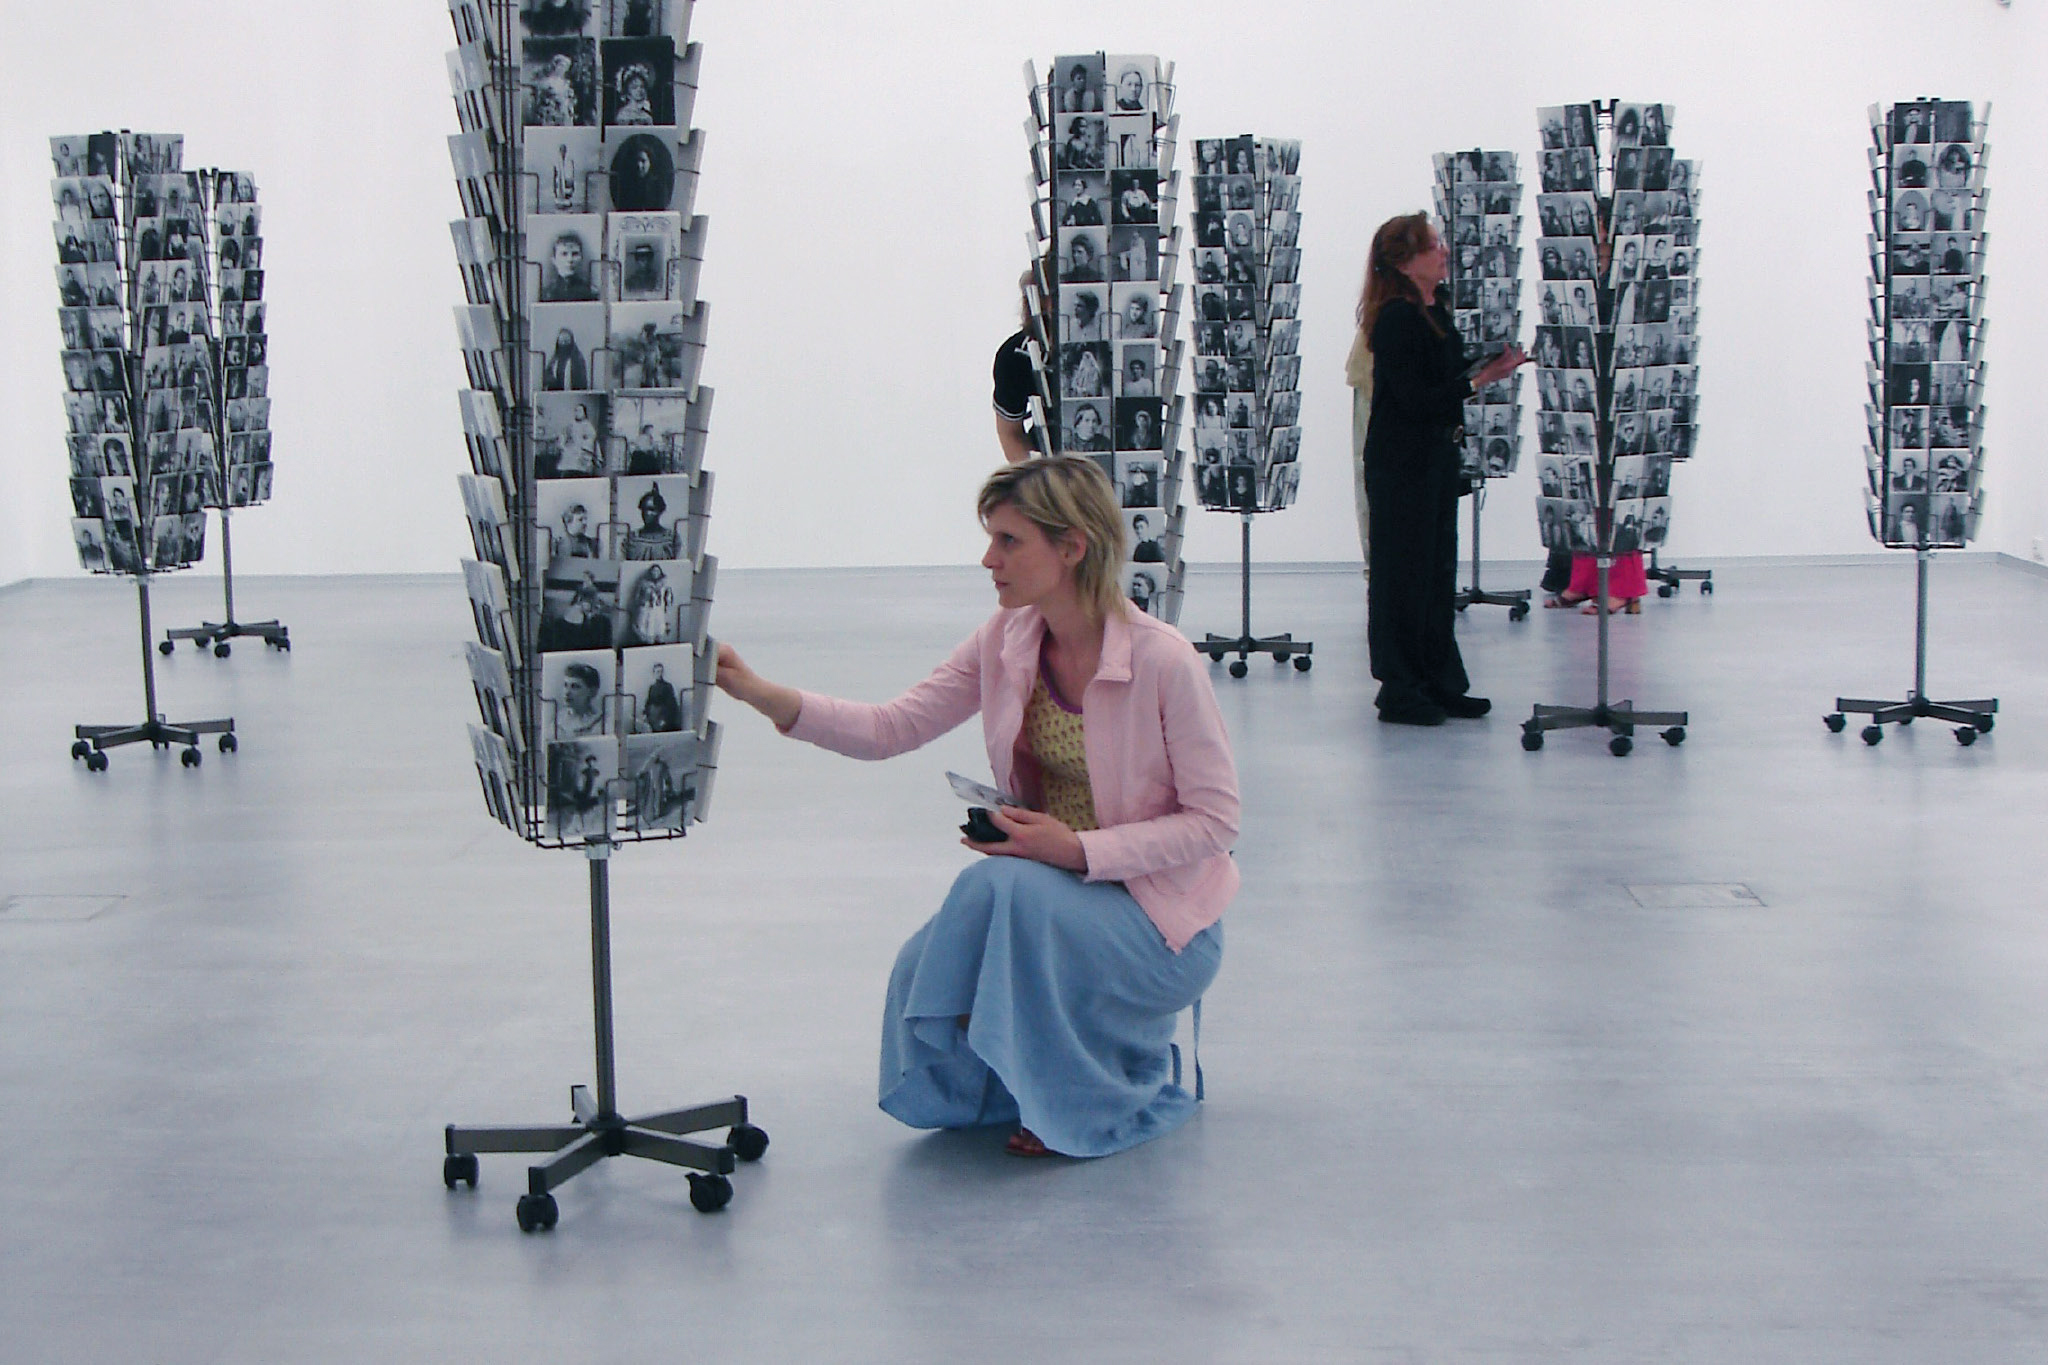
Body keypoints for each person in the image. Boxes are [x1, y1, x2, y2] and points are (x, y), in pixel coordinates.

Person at [713, 456, 1236, 1158]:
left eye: (1009, 541)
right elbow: (891, 727)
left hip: (1166, 928)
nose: (989, 559)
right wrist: (760, 693)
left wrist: (1077, 850)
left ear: (1072, 547)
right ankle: (1025, 1084)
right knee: (931, 952)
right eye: (991, 539)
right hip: (1056, 898)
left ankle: (1090, 1094)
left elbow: (1216, 821)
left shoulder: (1164, 661)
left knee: (999, 887)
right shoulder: (1005, 638)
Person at [1358, 212, 1527, 725]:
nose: (1444, 252)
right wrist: (1479, 381)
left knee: (1436, 573)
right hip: (1401, 464)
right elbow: (1414, 399)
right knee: (1403, 575)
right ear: (1404, 261)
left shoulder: (1434, 308)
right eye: (1433, 246)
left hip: (1435, 458)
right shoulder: (1395, 318)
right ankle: (1400, 689)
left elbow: (1441, 374)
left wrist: (1484, 366)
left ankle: (1439, 681)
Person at [623, 484, 680, 559]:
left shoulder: (672, 538)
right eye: (644, 509)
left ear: (660, 511)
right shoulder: (631, 538)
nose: (647, 513)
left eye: (651, 509)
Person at [540, 230, 598, 301]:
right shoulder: (547, 293)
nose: (570, 259)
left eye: (575, 254)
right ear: (554, 260)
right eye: (564, 254)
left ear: (581, 258)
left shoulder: (590, 292)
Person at [641, 661, 683, 732]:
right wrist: (645, 714)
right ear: (654, 673)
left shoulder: (667, 686)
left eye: (661, 672)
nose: (660, 674)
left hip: (663, 718)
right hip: (653, 717)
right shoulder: (652, 687)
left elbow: (671, 705)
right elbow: (648, 702)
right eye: (657, 672)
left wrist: (665, 719)